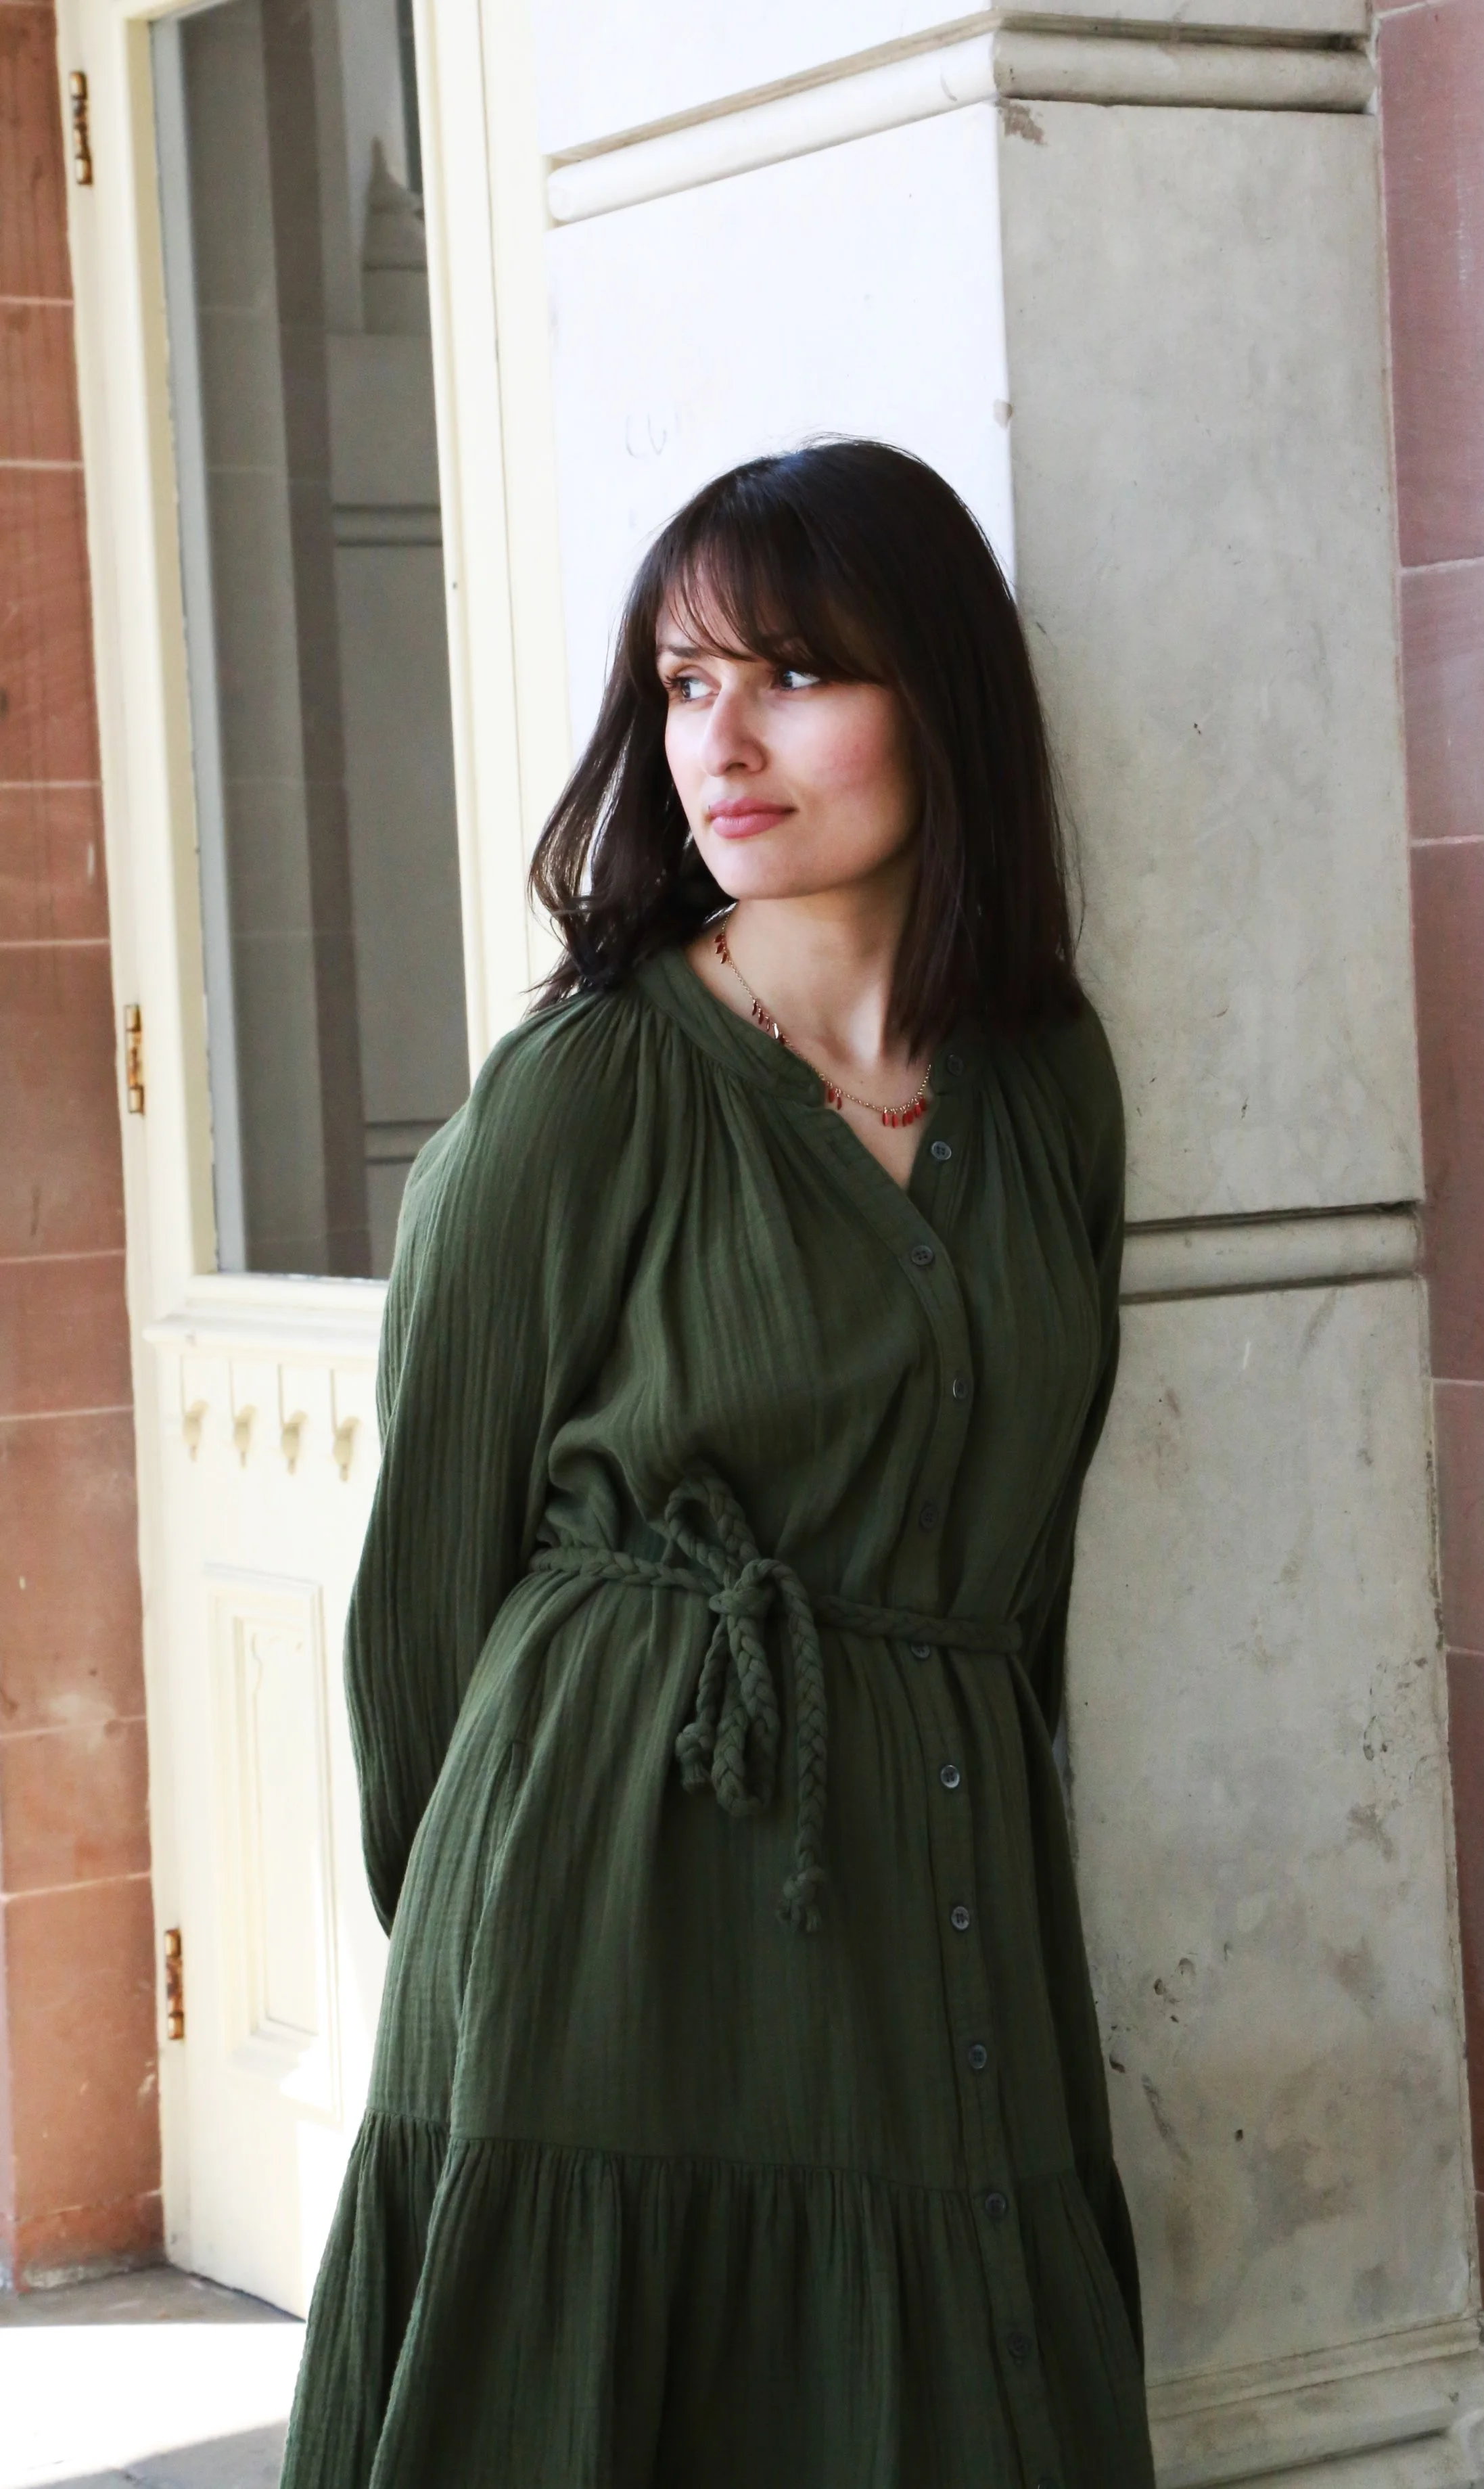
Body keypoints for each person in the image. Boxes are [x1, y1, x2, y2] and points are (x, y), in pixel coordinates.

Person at [279, 439, 1154, 2487]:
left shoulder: (1047, 1087)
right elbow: (423, 1603)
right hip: (611, 1901)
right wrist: (503, 1954)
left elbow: (1025, 1577)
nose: (722, 743)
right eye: (681, 686)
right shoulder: (581, 1093)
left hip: (937, 1892)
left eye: (789, 676)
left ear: (938, 698)